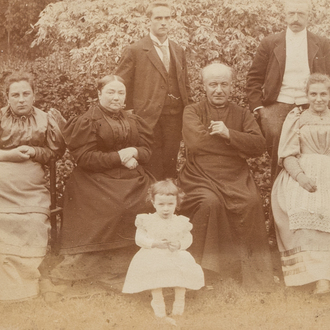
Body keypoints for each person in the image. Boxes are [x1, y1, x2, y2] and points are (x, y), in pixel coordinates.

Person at [48, 75, 155, 290]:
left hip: (131, 177)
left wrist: (134, 150)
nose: (116, 97)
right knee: (117, 207)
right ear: (99, 94)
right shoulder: (87, 120)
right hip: (94, 178)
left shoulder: (133, 120)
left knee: (150, 200)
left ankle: (139, 265)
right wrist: (120, 156)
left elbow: (147, 150)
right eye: (111, 92)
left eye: (121, 93)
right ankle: (100, 268)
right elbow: (85, 158)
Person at [178, 63, 274, 290]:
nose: (218, 89)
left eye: (224, 84)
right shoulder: (192, 110)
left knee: (251, 202)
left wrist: (229, 133)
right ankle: (204, 273)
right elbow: (196, 142)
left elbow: (259, 145)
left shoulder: (241, 113)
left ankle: (252, 276)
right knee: (209, 203)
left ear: (232, 87)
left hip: (235, 174)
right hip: (199, 174)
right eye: (213, 84)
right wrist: (236, 144)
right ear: (204, 87)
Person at [246, 0, 330, 183]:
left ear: (310, 16)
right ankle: (279, 200)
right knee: (279, 146)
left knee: (313, 148)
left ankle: (314, 196)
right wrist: (259, 109)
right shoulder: (270, 43)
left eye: (301, 14)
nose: (296, 18)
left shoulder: (322, 43)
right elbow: (253, 79)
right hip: (278, 104)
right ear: (284, 15)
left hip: (311, 104)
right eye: (291, 13)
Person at [0, 71, 65, 301]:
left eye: (26, 94)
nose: (21, 99)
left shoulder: (45, 119)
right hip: (2, 179)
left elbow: (55, 152)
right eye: (15, 94)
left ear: (34, 95)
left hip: (30, 182)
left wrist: (35, 151)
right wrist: (9, 155)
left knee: (33, 220)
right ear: (6, 96)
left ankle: (27, 280)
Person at [115, 1, 191, 180]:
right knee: (152, 165)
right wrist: (129, 115)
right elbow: (120, 85)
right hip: (148, 120)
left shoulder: (178, 50)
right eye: (158, 18)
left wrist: (189, 111)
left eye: (167, 18)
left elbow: (185, 85)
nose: (163, 22)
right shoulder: (135, 50)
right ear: (149, 20)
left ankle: (168, 205)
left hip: (174, 117)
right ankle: (152, 204)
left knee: (170, 164)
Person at [272, 73, 330, 294]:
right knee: (304, 210)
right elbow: (287, 155)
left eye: (323, 93)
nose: (318, 98)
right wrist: (301, 177)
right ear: (306, 95)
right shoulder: (296, 118)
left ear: (329, 95)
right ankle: (318, 278)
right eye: (313, 94)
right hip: (301, 172)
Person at [122, 179, 204, 324]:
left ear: (177, 203)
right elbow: (139, 239)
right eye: (161, 204)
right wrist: (154, 243)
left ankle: (179, 305)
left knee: (182, 271)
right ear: (153, 202)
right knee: (155, 276)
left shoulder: (180, 221)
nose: (166, 209)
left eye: (170, 204)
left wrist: (179, 244)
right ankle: (158, 306)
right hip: (154, 254)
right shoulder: (146, 220)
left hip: (174, 254)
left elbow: (188, 238)